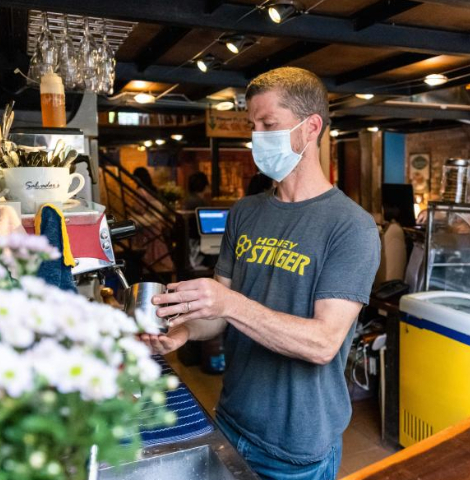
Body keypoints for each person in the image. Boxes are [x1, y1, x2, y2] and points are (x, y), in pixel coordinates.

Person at [143, 67, 381, 480]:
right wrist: (184, 331)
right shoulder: (246, 212)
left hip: (296, 447)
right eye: (253, 126)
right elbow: (220, 314)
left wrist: (230, 303)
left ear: (311, 128)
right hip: (231, 419)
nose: (256, 138)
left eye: (268, 125)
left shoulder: (351, 226)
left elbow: (323, 343)